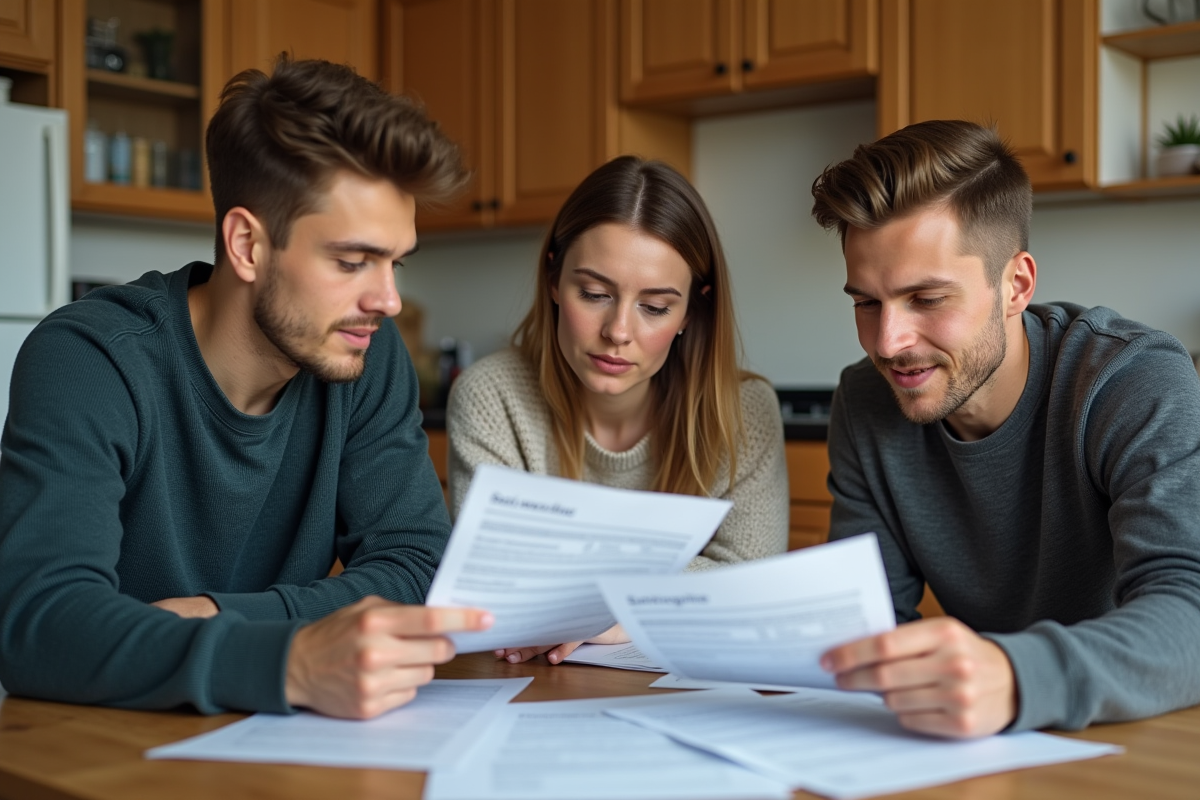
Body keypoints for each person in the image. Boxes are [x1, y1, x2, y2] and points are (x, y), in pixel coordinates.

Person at [0, 57, 492, 719]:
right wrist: (290, 660)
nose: (389, 300)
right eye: (352, 262)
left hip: (282, 746)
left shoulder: (366, 358)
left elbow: (417, 566)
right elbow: (40, 623)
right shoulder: (91, 360)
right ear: (248, 245)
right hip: (102, 750)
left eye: (395, 262)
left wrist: (217, 616)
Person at [810, 119, 1200, 738]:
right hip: (980, 745)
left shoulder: (1131, 381)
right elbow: (867, 619)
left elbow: (1191, 610)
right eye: (866, 302)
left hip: (1139, 729)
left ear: (1015, 285)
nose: (888, 344)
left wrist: (1017, 677)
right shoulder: (865, 401)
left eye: (928, 299)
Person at [446, 156, 789, 666]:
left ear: (691, 311)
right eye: (595, 294)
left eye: (654, 307)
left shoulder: (746, 412)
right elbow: (500, 592)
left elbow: (752, 584)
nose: (619, 332)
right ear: (553, 279)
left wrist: (618, 609)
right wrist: (671, 592)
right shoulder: (490, 396)